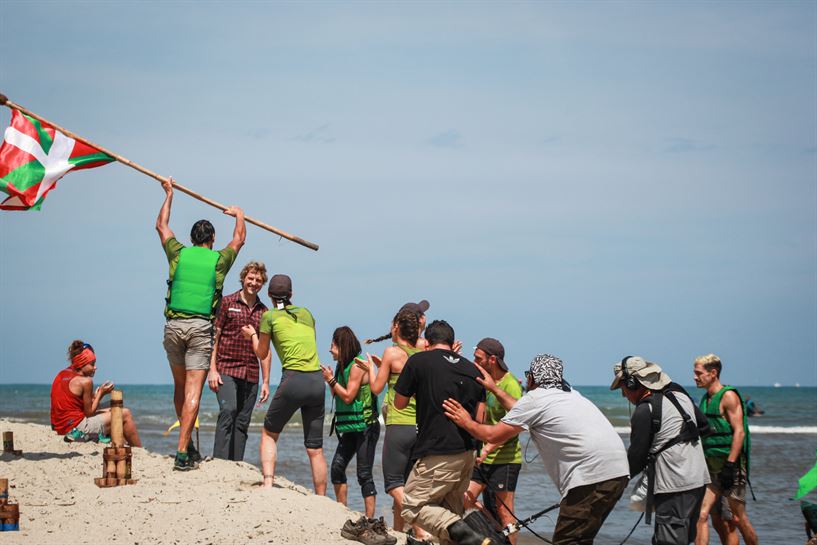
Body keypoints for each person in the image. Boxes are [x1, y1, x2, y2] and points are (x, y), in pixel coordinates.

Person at [444, 354, 629, 545]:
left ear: (532, 378)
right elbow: (519, 409)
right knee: (581, 539)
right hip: (618, 472)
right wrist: (495, 389)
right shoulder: (570, 394)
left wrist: (466, 421)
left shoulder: (536, 398)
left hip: (590, 476)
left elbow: (491, 435)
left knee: (567, 540)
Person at [156, 177, 245, 470]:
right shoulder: (218, 260)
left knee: (180, 387)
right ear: (212, 239)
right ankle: (182, 453)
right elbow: (239, 239)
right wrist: (239, 215)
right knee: (193, 392)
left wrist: (169, 195)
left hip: (173, 327)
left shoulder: (178, 253)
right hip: (199, 329)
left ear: (192, 237)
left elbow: (161, 225)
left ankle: (188, 445)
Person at [394, 319, 491, 545]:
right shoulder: (472, 369)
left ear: (427, 343)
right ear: (451, 341)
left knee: (412, 506)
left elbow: (399, 403)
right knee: (449, 516)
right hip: (467, 453)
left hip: (438, 450)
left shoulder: (419, 361)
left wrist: (424, 392)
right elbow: (480, 419)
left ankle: (468, 533)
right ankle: (464, 534)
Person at [242, 274, 326, 494]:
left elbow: (262, 353)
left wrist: (252, 335)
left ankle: (268, 483)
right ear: (291, 294)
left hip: (294, 379)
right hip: (317, 380)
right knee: (315, 448)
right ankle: (322, 497)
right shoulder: (306, 313)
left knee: (269, 433)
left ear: (269, 295)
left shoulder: (269, 316)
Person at [611, 356, 709, 545]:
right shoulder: (679, 393)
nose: (623, 395)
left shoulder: (644, 410)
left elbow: (636, 458)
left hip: (674, 484)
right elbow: (704, 426)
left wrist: (616, 483)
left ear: (632, 383)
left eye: (623, 388)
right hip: (698, 479)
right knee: (683, 539)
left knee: (668, 541)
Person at [321, 326, 395, 545]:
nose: (330, 349)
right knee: (337, 468)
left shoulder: (356, 366)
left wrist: (331, 380)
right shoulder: (341, 365)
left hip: (366, 427)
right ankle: (341, 511)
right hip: (350, 428)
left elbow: (348, 397)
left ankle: (370, 521)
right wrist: (330, 379)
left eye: (333, 345)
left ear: (342, 346)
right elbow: (336, 393)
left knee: (364, 474)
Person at [366, 307, 431, 541]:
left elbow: (376, 388)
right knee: (409, 485)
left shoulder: (392, 353)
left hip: (399, 425)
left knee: (394, 483)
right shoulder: (423, 351)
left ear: (396, 327)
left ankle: (422, 530)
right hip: (421, 426)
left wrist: (372, 368)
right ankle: (399, 532)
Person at [208, 261, 271, 461]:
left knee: (242, 421)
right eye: (250, 278)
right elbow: (215, 337)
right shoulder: (227, 302)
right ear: (243, 278)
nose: (254, 283)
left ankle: (236, 464)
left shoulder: (264, 311)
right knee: (228, 410)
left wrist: (266, 381)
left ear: (262, 283)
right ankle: (219, 461)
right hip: (226, 368)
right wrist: (212, 369)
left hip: (251, 373)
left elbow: (265, 350)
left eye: (258, 280)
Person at [693, 354, 758, 545]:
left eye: (699, 373)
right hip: (711, 469)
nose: (695, 377)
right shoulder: (705, 399)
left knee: (738, 519)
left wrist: (730, 465)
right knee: (701, 515)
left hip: (731, 468)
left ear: (713, 373)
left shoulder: (728, 396)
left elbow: (739, 432)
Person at [464, 338, 523, 545]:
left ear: (492, 360)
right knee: (465, 499)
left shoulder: (510, 384)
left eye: (478, 358)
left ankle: (508, 540)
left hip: (505, 459)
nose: (475, 362)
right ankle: (496, 533)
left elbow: (514, 426)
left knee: (505, 512)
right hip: (483, 457)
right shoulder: (484, 381)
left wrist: (488, 448)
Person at [50, 340, 142, 447]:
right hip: (75, 429)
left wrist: (95, 396)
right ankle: (138, 449)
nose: (95, 367)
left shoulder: (61, 374)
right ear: (82, 363)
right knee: (125, 413)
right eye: (92, 364)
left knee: (112, 407)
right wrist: (101, 394)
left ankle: (121, 442)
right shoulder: (86, 382)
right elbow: (89, 413)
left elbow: (73, 403)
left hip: (60, 426)